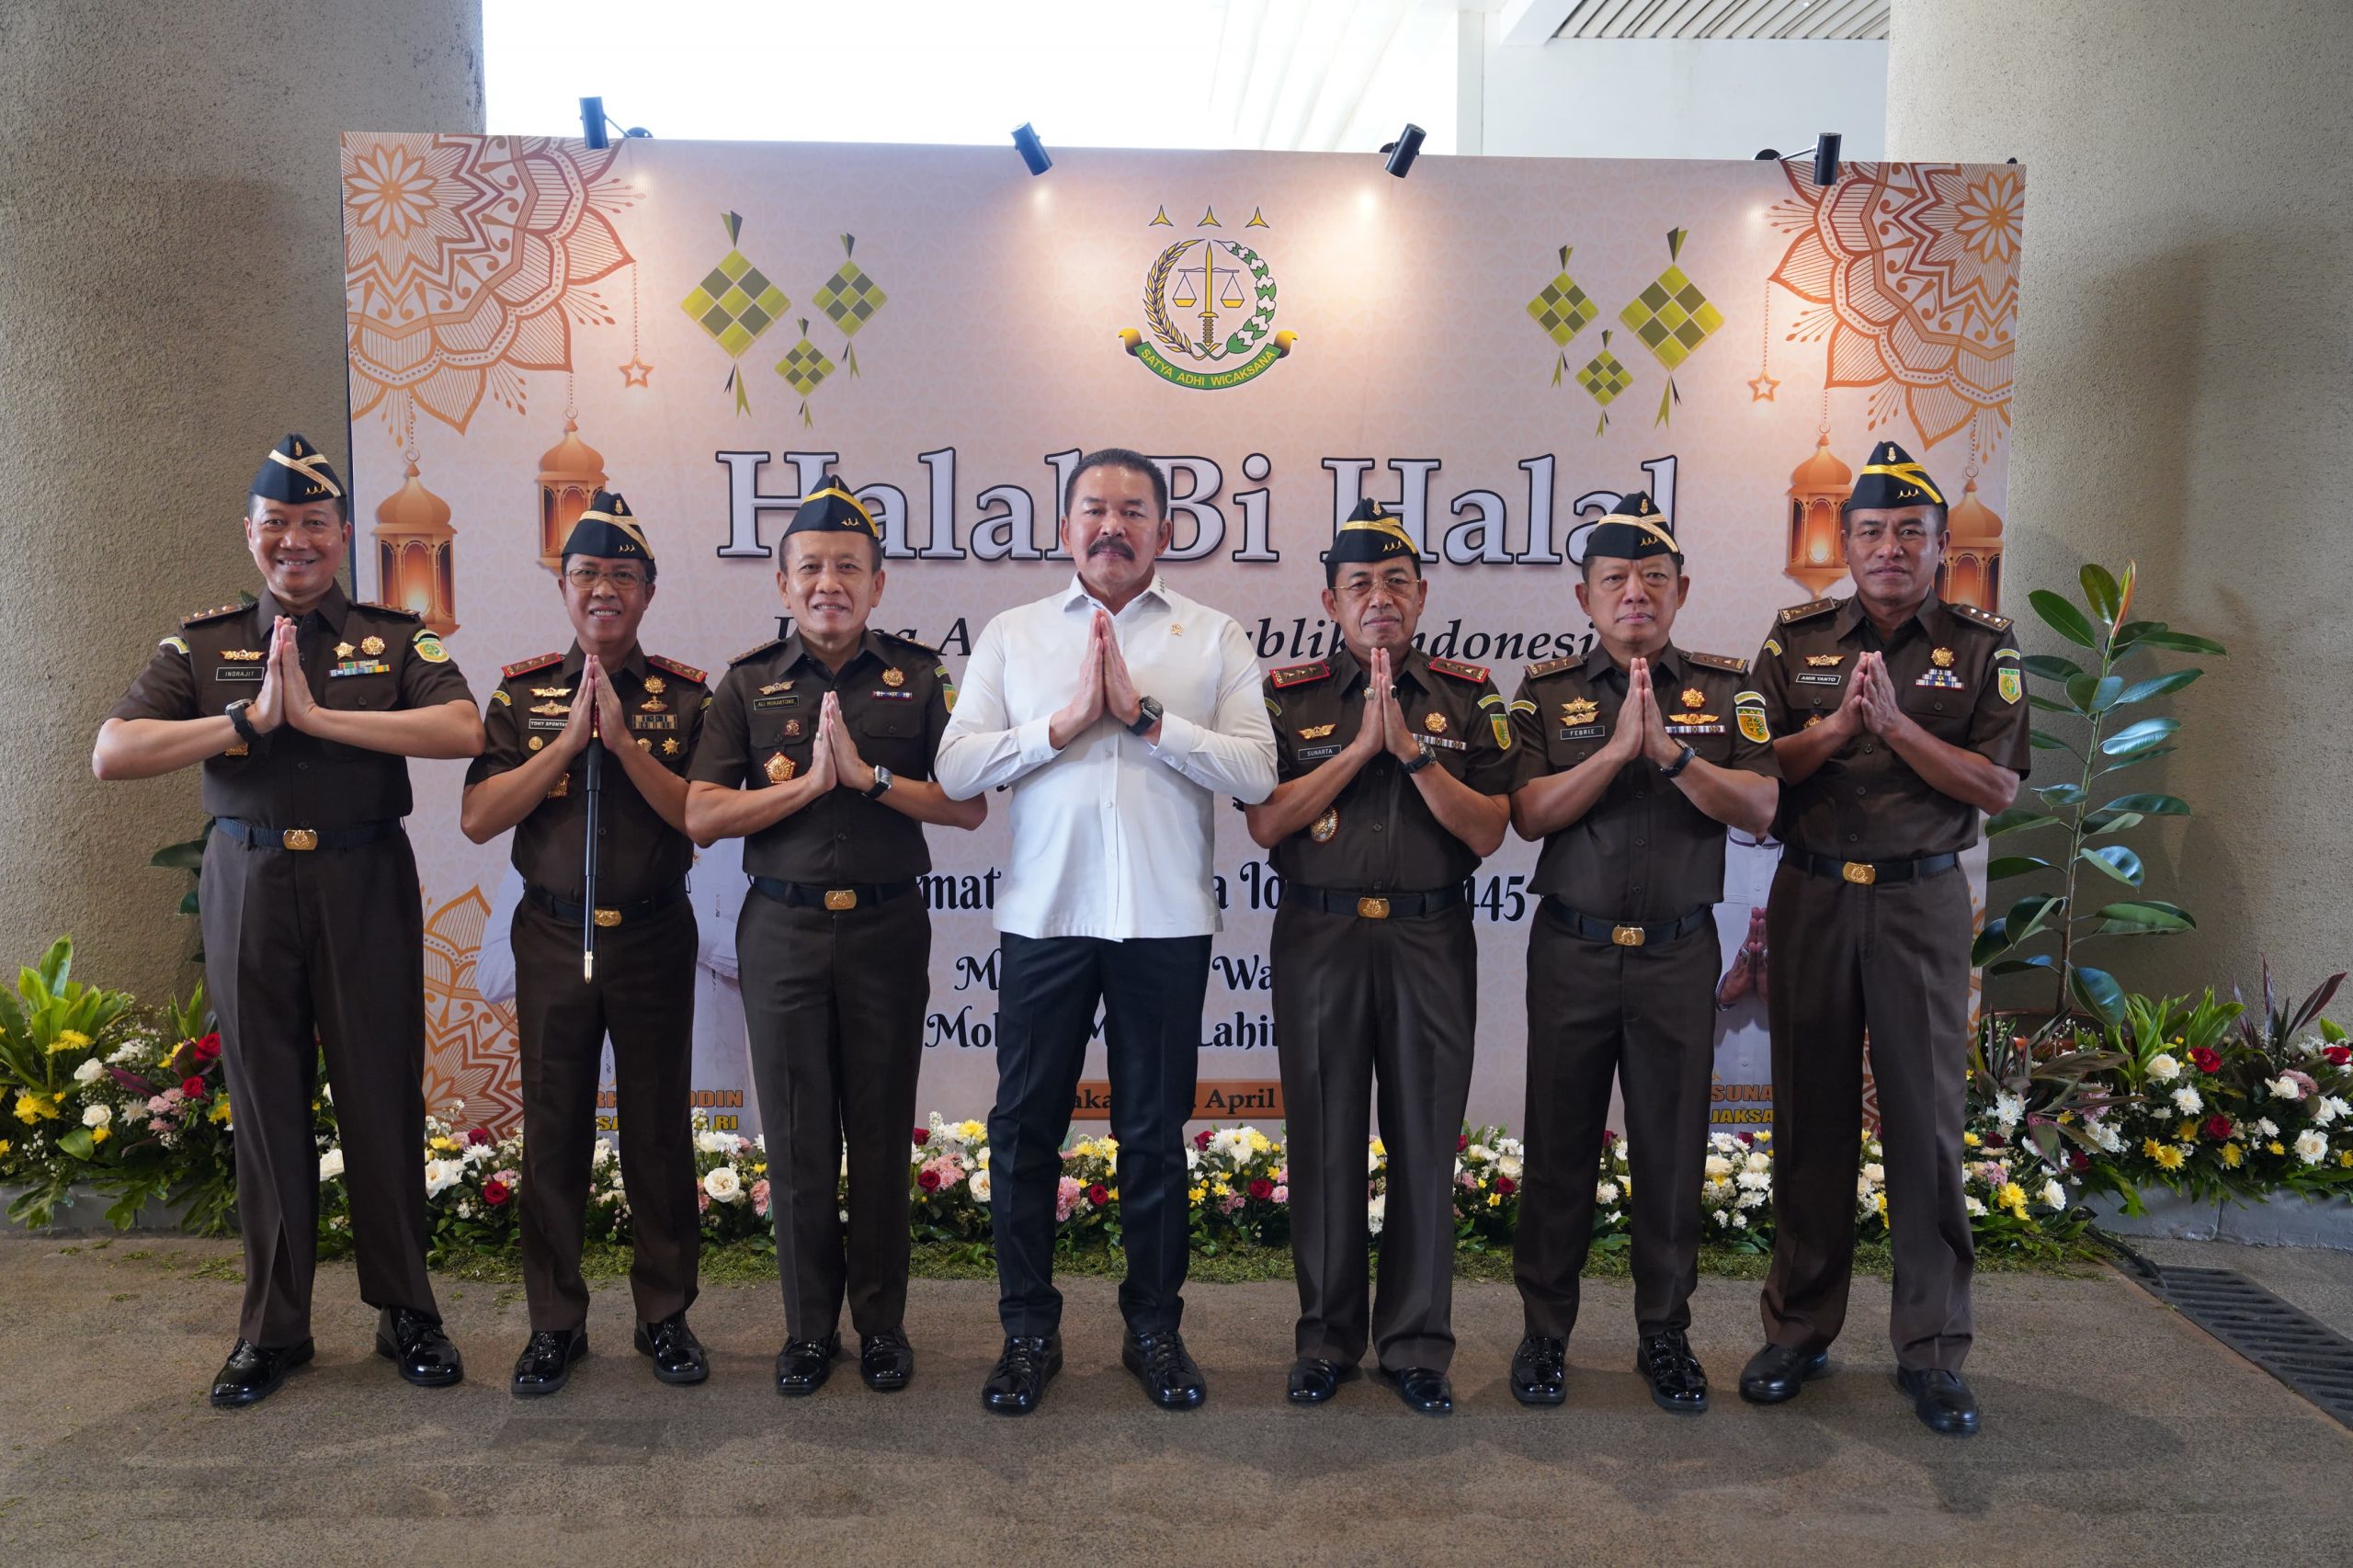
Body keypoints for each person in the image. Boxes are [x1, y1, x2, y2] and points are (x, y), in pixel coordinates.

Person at [91, 434, 483, 1408]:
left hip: (362, 878)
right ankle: (274, 1330)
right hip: (250, 882)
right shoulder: (205, 643)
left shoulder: (395, 637)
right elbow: (115, 749)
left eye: (314, 524)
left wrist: (318, 718)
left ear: (344, 534)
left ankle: (407, 1312)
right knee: (266, 1107)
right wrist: (245, 721)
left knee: (380, 1097)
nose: (295, 542)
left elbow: (461, 728)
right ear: (252, 535)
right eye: (278, 525)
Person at [935, 447, 1278, 1415]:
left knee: (1152, 1136)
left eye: (1133, 511)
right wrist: (1065, 722)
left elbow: (1257, 774)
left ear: (1167, 532)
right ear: (1062, 527)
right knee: (1022, 1129)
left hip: (1165, 923)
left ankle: (1153, 1330)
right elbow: (957, 769)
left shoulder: (1212, 637)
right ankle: (1026, 1333)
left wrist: (1146, 717)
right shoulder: (1013, 633)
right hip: (1046, 920)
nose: (1110, 526)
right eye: (1092, 509)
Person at [1738, 441, 2028, 1437]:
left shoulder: (1985, 644)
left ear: (1943, 545)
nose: (1889, 547)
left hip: (1919, 904)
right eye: (1869, 531)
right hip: (1813, 894)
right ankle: (1797, 1328)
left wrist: (1899, 729)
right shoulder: (1795, 636)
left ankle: (1933, 1349)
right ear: (1844, 543)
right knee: (1808, 1117)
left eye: (1909, 531)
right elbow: (1754, 770)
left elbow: (1996, 787)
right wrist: (1831, 733)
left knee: (1923, 1126)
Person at [685, 484, 983, 1397]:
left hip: (888, 927)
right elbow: (702, 815)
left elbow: (966, 804)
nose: (828, 583)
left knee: (881, 1130)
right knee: (799, 1137)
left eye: (847, 567)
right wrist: (811, 787)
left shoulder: (925, 676)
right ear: (782, 579)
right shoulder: (745, 683)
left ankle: (882, 1326)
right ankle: (809, 1329)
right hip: (781, 927)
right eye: (810, 566)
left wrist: (869, 775)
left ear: (879, 582)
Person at [1501, 492, 1779, 1415]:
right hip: (1572, 950)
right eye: (1615, 579)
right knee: (1558, 1148)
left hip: (1675, 954)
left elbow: (1760, 806)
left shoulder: (1728, 690)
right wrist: (1615, 749)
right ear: (1584, 595)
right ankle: (1544, 1335)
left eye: (1652, 579)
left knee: (1671, 1150)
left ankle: (1665, 1334)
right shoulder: (1546, 691)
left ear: (1681, 590)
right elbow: (1527, 813)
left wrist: (1670, 755)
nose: (1634, 595)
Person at [1242, 500, 1515, 1417]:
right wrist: (1361, 748)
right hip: (1319, 936)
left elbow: (1488, 831)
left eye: (1397, 582)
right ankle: (1324, 1337)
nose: (1380, 599)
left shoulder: (1466, 694)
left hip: (1429, 935)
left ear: (1423, 593)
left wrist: (1415, 756)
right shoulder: (1288, 694)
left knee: (1424, 1141)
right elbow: (1265, 821)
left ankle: (1415, 1343)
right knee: (1322, 1140)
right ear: (1330, 598)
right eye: (1360, 584)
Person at [460, 492, 710, 1398]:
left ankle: (664, 1313)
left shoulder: (684, 695)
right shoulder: (522, 692)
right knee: (554, 1132)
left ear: (647, 591)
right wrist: (566, 742)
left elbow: (700, 817)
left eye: (622, 575)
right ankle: (555, 1322)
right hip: (553, 935)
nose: (603, 589)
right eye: (586, 574)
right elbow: (480, 815)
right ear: (563, 587)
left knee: (656, 1131)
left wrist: (621, 743)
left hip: (650, 935)